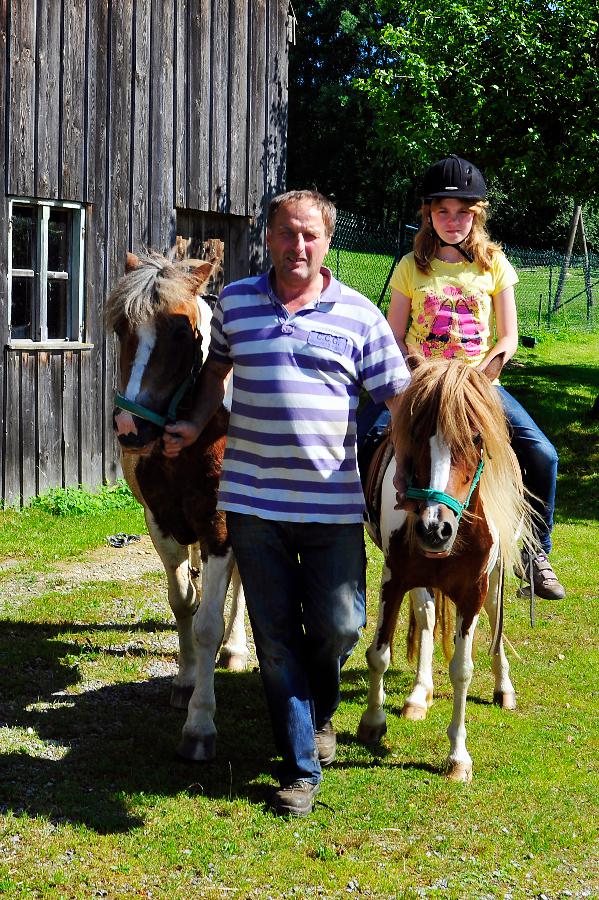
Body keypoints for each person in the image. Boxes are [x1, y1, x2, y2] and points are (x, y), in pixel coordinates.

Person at [162, 190, 411, 817]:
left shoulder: (359, 315)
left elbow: (398, 401)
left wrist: (416, 461)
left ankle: (320, 713)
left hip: (330, 506)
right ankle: (300, 767)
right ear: (267, 238)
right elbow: (215, 374)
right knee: (274, 640)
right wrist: (192, 425)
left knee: (340, 626)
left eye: (309, 235)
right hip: (252, 502)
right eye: (285, 233)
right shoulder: (239, 305)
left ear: (327, 242)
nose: (296, 246)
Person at [383, 154, 564, 600]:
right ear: (428, 214)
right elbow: (395, 334)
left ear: (475, 216)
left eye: (462, 211)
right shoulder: (411, 266)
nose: (452, 220)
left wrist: (483, 378)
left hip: (480, 389)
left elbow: (508, 338)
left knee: (543, 454)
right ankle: (358, 526)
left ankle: (535, 553)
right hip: (424, 387)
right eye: (442, 211)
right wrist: (418, 369)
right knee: (369, 440)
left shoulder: (495, 265)